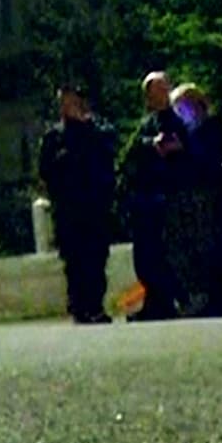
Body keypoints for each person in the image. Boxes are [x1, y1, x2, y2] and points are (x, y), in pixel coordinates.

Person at [38, 81, 117, 324]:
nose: (67, 106)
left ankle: (95, 305)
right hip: (69, 209)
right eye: (63, 101)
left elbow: (107, 157)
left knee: (95, 257)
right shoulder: (54, 137)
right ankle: (79, 305)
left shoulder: (97, 130)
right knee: (74, 260)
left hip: (94, 206)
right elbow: (45, 170)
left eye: (71, 100)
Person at [118, 71, 188, 320]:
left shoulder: (178, 121)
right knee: (145, 257)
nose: (157, 96)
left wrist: (173, 149)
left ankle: (169, 302)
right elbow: (129, 156)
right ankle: (154, 303)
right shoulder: (146, 125)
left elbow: (187, 151)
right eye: (152, 92)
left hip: (168, 199)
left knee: (164, 254)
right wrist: (149, 146)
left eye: (161, 90)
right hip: (144, 201)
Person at [164, 82, 222, 317]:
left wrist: (185, 147)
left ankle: (211, 295)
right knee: (183, 247)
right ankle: (193, 294)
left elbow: (210, 157)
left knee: (204, 244)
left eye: (186, 107)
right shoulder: (177, 129)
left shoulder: (210, 127)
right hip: (181, 191)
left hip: (204, 192)